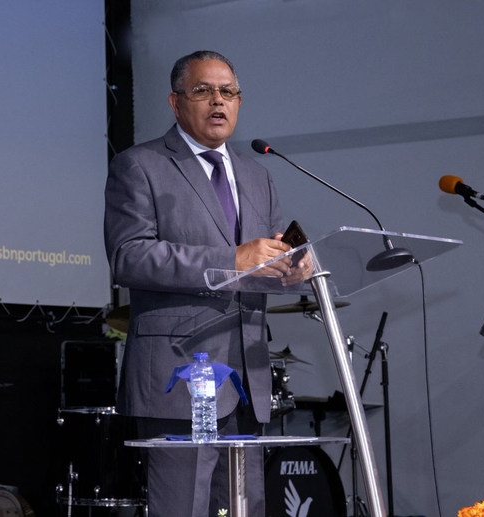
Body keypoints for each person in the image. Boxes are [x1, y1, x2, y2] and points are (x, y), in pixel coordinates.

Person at [104, 50, 304, 516]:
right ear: (175, 102)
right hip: (179, 377)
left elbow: (263, 263)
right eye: (203, 90)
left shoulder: (258, 176)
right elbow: (129, 256)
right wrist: (232, 259)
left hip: (247, 376)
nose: (218, 100)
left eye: (228, 91)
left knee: (245, 508)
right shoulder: (141, 165)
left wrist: (292, 268)